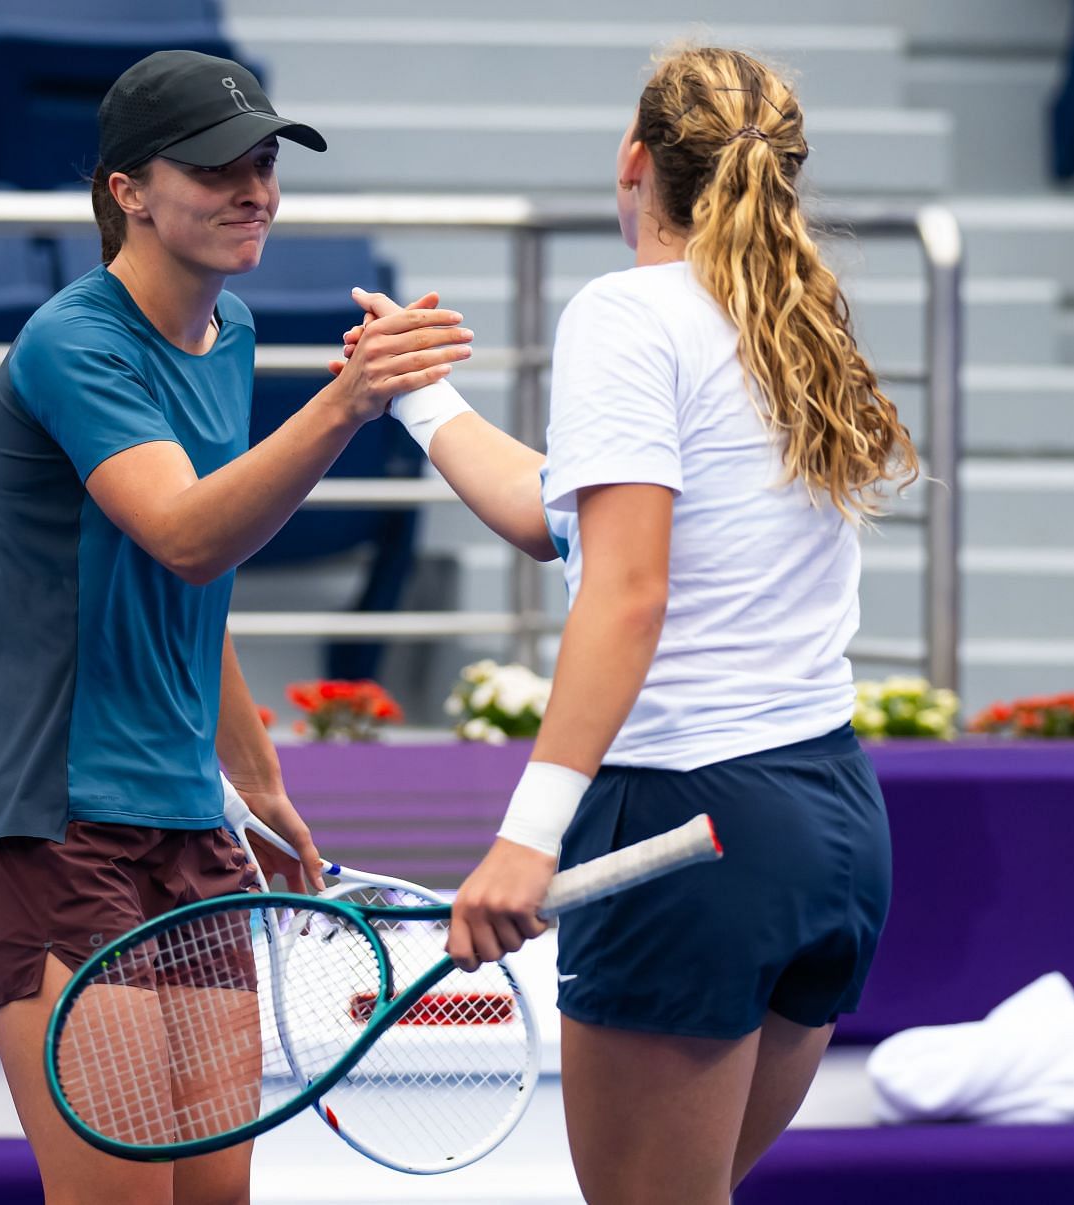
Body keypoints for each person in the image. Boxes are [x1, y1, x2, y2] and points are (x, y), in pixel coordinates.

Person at [344, 44, 918, 1205]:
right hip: (829, 826)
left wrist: (528, 830)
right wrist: (422, 397)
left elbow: (628, 589)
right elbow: (566, 521)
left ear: (634, 161)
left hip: (681, 823)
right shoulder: (794, 314)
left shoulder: (626, 309)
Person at [0, 49, 475, 1205]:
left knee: (212, 1198)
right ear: (128, 189)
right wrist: (348, 400)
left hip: (186, 826)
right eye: (219, 166)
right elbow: (184, 532)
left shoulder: (228, 334)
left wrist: (256, 773)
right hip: (44, 825)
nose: (255, 190)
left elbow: (183, 584)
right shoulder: (74, 343)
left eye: (265, 163)